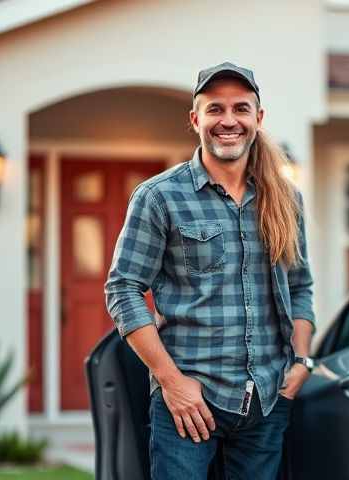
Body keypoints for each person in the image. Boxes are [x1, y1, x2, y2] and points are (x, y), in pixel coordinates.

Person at [105, 62, 315, 480]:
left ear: (258, 117)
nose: (228, 120)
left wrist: (301, 361)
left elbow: (299, 284)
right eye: (215, 109)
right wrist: (171, 383)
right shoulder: (160, 197)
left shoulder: (285, 198)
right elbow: (123, 289)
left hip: (266, 400)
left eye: (240, 108)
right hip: (189, 403)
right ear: (195, 119)